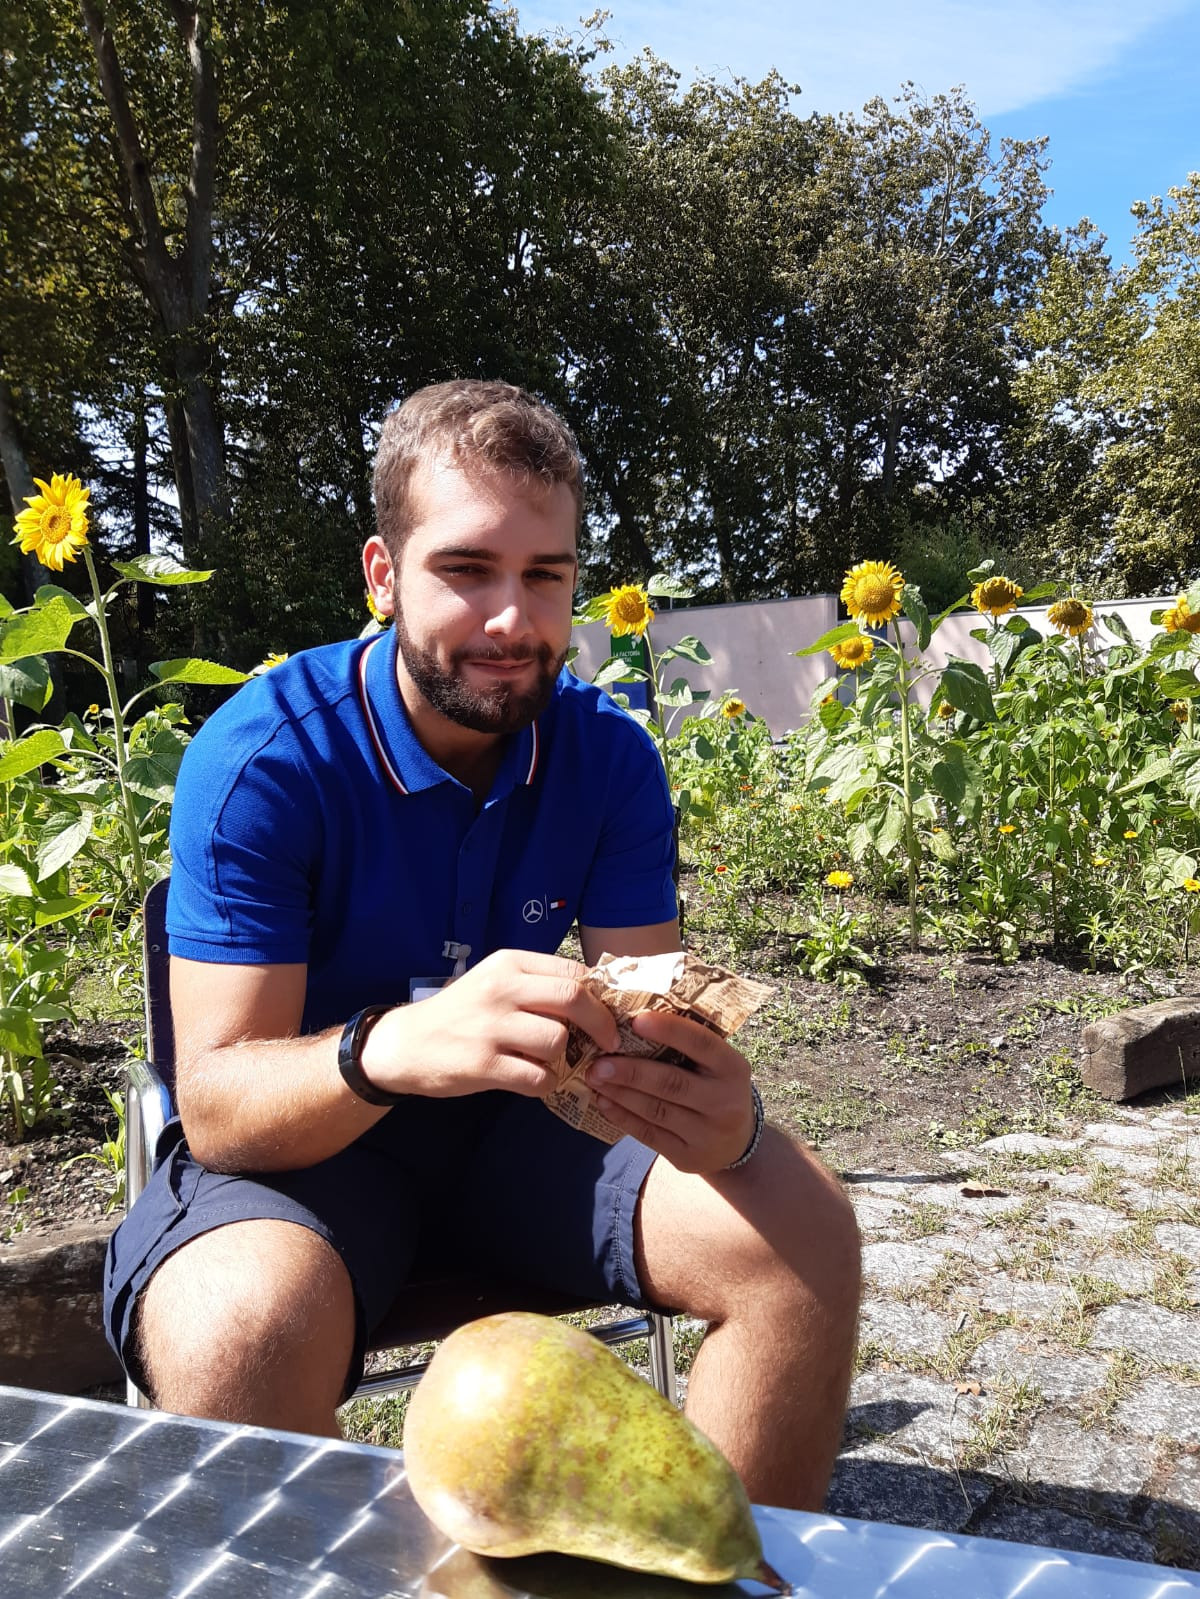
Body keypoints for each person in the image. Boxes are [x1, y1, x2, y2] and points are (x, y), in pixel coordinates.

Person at [103, 380, 861, 1510]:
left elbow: (643, 1014)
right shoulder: (266, 760)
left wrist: (704, 1101)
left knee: (803, 1228)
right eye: (467, 570)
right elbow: (215, 1107)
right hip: (311, 1160)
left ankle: (728, 1579)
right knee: (234, 1329)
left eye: (545, 576)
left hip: (530, 1134)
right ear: (382, 573)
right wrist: (393, 1048)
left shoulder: (608, 759)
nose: (513, 620)